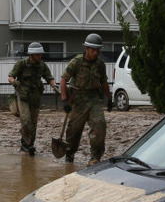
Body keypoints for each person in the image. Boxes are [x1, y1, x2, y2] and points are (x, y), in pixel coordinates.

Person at [60, 33, 111, 164]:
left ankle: (95, 158)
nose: (96, 52)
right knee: (74, 131)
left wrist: (109, 98)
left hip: (94, 99)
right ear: (86, 48)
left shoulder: (100, 64)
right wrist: (65, 100)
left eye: (98, 50)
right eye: (93, 49)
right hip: (78, 99)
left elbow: (104, 82)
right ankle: (70, 154)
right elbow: (63, 80)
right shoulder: (77, 62)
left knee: (100, 126)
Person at [8, 42, 57, 155]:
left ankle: (30, 145)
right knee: (26, 121)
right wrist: (14, 82)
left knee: (33, 123)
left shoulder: (42, 65)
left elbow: (49, 77)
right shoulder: (21, 64)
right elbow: (10, 77)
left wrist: (54, 86)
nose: (40, 56)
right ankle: (26, 144)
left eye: (41, 54)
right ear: (32, 55)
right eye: (38, 54)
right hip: (23, 97)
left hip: (35, 97)